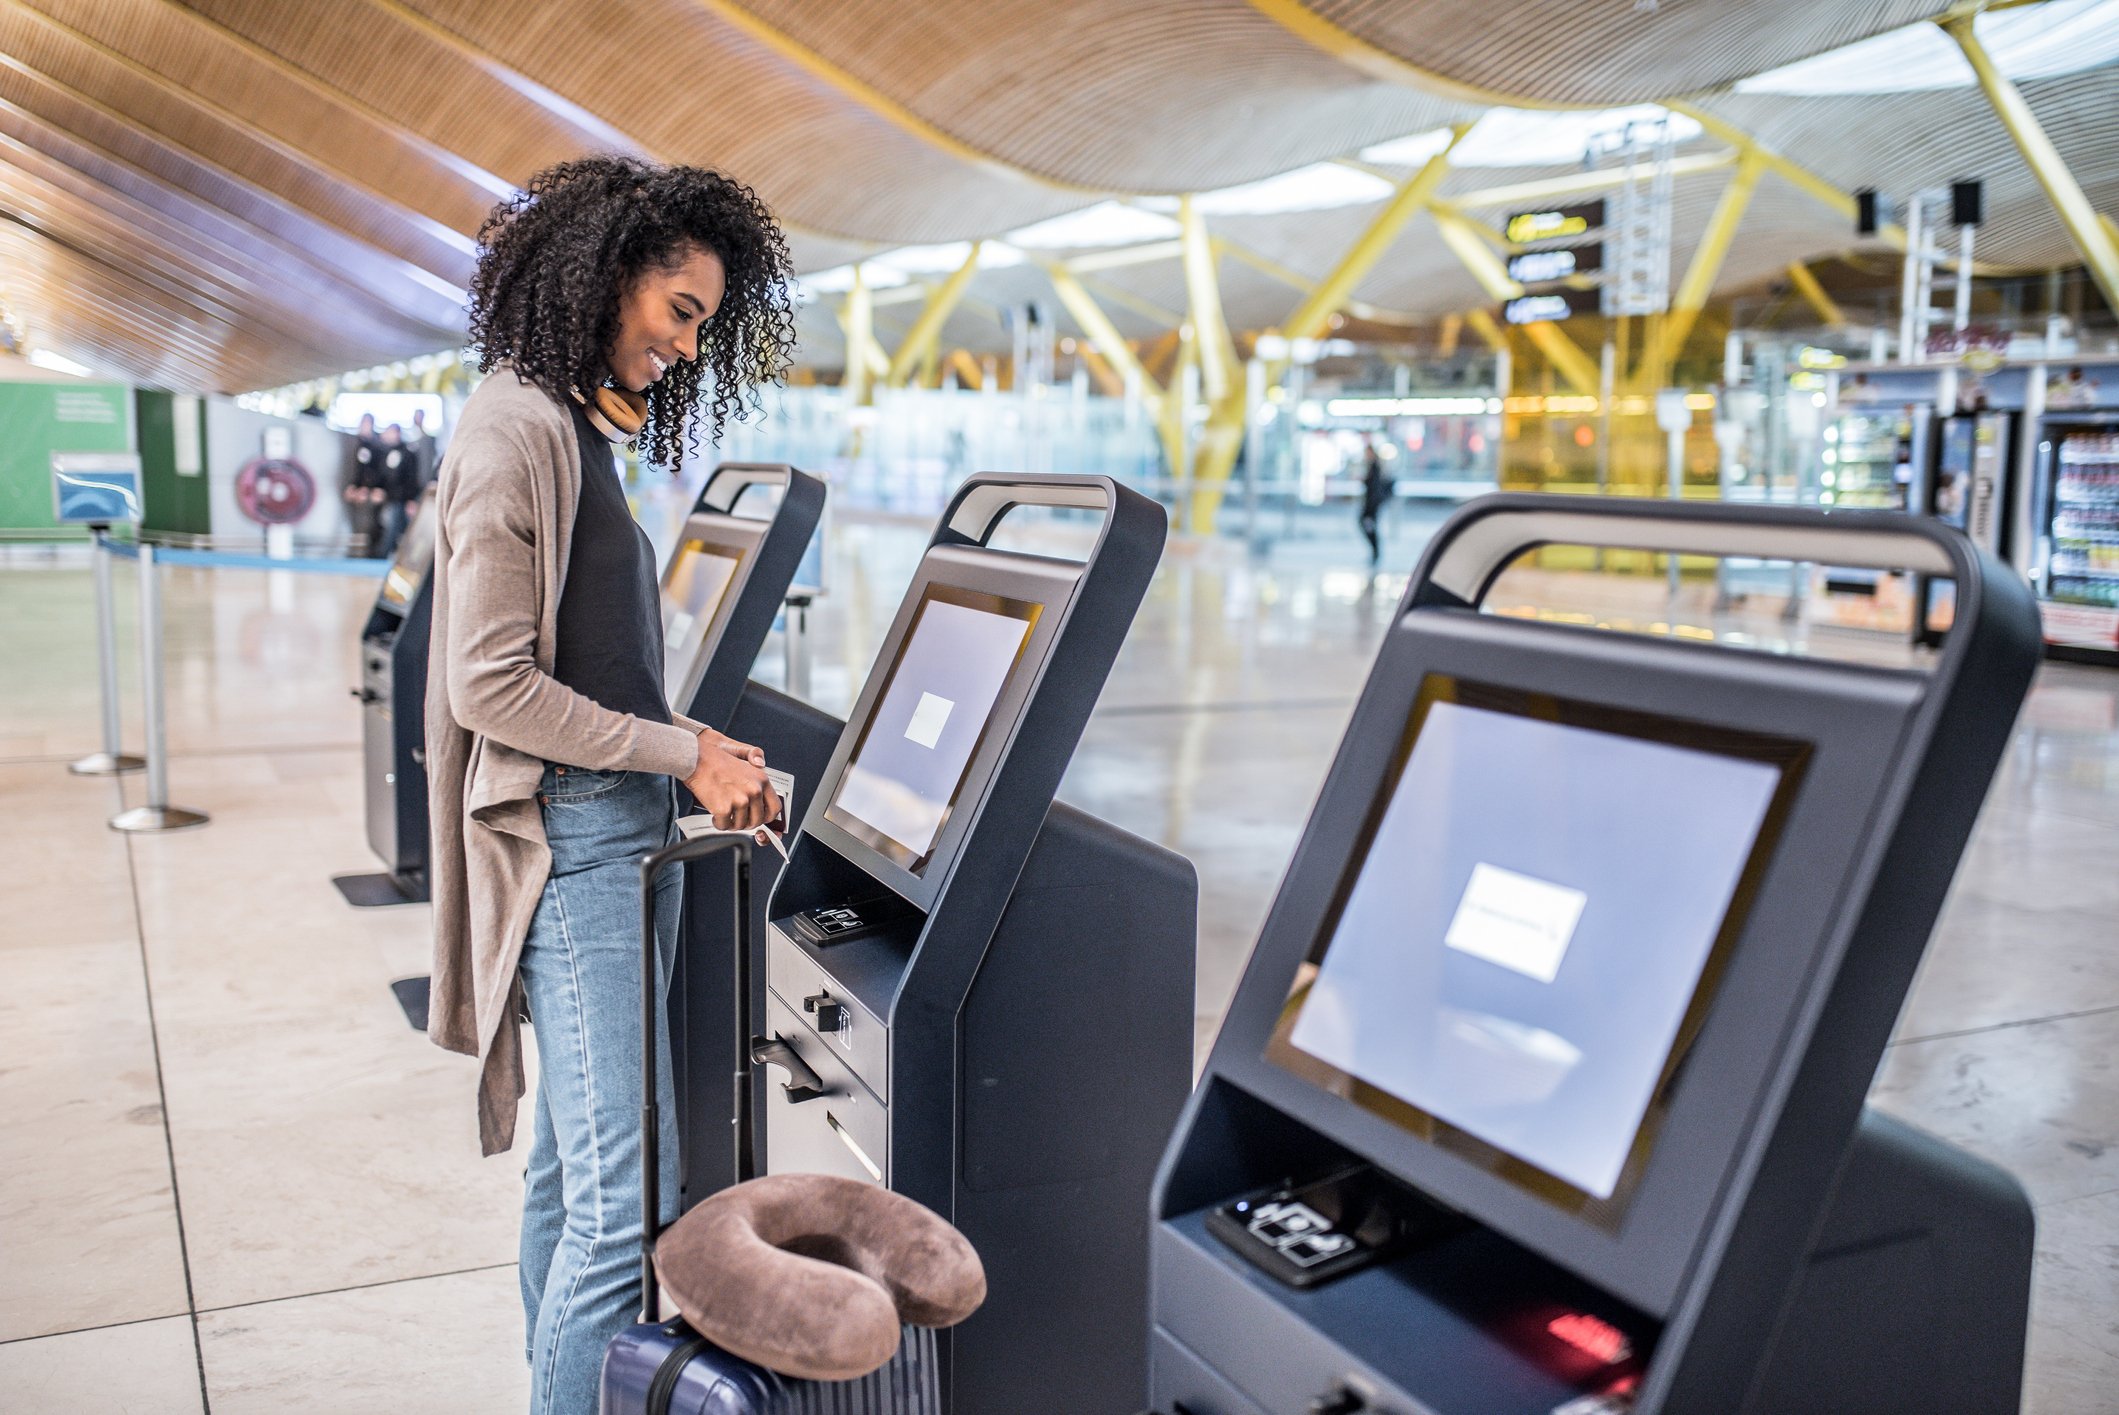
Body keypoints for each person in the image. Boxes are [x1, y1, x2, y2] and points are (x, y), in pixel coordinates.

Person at [422, 155, 798, 1415]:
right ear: (601, 272)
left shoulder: (563, 423)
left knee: (570, 1182)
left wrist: (694, 742)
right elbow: (492, 688)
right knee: (621, 1206)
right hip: (578, 843)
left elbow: (596, 668)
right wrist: (681, 752)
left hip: (617, 822)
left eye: (703, 323)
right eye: (679, 311)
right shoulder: (514, 431)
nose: (686, 346)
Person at [344, 412, 386, 556]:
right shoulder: (355, 443)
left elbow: (377, 471)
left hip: (370, 492)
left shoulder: (377, 447)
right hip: (355, 491)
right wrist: (352, 486)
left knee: (369, 524)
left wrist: (368, 488)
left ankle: (369, 552)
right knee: (354, 524)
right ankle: (356, 551)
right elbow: (352, 469)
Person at [377, 423, 415, 558]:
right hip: (390, 497)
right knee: (397, 528)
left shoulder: (407, 453)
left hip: (402, 498)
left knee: (398, 529)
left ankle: (384, 555)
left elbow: (411, 478)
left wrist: (411, 499)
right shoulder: (386, 452)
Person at [1358, 438, 1391, 564]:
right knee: (1368, 526)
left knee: (1369, 526)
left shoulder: (1375, 467)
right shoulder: (1372, 466)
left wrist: (1371, 506)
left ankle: (1376, 553)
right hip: (1371, 503)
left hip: (1372, 504)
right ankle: (1375, 552)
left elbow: (1375, 488)